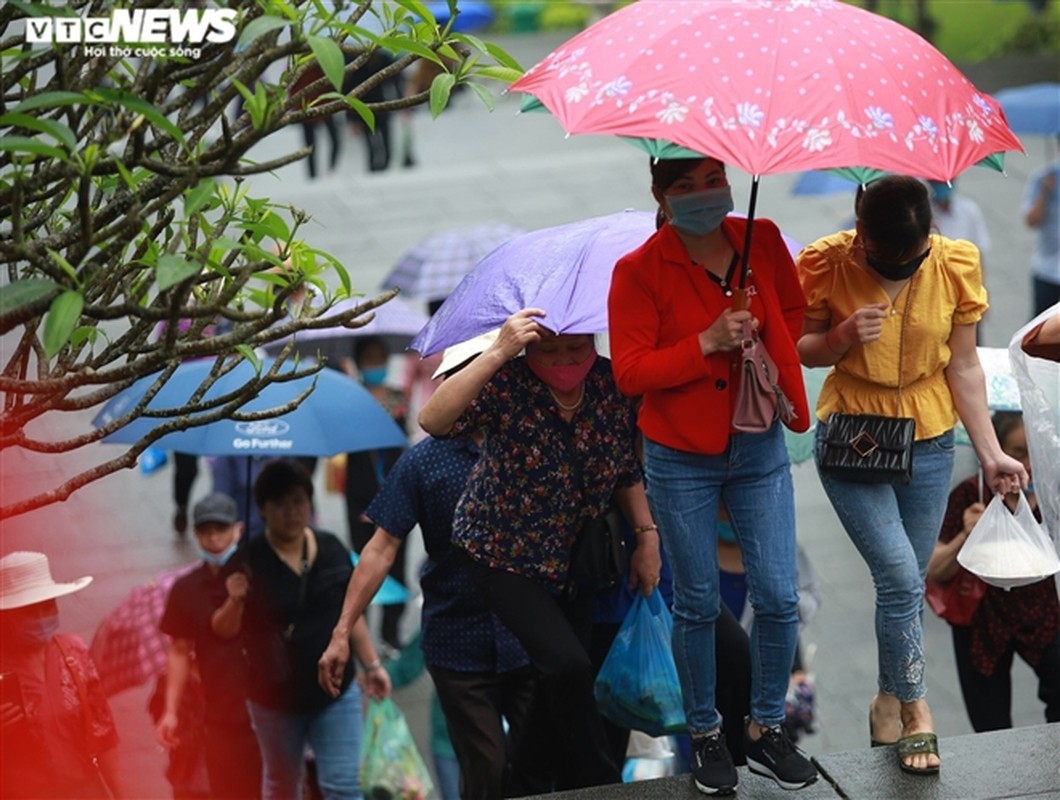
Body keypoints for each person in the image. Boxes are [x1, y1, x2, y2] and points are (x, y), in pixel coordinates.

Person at [796, 175, 1028, 776]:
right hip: (855, 438)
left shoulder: (954, 263)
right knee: (902, 577)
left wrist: (990, 453)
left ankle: (884, 700)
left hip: (927, 440)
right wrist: (842, 337)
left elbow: (966, 366)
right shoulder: (827, 261)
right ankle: (917, 708)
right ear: (861, 230)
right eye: (885, 257)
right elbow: (802, 347)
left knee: (900, 587)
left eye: (912, 255)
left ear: (929, 233)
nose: (901, 265)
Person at [608, 156, 817, 795]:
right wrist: (704, 344)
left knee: (780, 597)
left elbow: (796, 312)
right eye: (685, 186)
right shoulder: (638, 270)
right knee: (697, 602)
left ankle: (766, 726)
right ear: (660, 195)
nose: (703, 195)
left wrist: (757, 335)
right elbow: (631, 372)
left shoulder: (765, 237)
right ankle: (706, 735)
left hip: (756, 444)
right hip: (679, 454)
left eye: (711, 181)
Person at [418, 310, 662, 794]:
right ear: (529, 348)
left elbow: (625, 469)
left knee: (557, 678)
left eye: (575, 348)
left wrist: (646, 536)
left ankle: (522, 783)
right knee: (567, 665)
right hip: (498, 552)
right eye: (548, 350)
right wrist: (498, 351)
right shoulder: (507, 382)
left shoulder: (612, 386)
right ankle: (602, 781)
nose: (564, 360)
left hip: (572, 556)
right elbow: (433, 419)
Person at [320, 333, 534, 800]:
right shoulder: (424, 462)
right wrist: (342, 631)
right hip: (457, 643)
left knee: (536, 765)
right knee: (487, 768)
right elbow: (380, 547)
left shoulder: (530, 445)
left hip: (529, 636)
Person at [212, 459, 391, 800]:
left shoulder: (332, 548)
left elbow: (349, 616)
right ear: (262, 509)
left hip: (335, 694)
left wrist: (372, 666)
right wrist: (234, 601)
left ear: (310, 503)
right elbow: (223, 632)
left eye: (298, 501)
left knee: (343, 786)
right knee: (281, 785)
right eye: (280, 503)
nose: (291, 512)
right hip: (274, 699)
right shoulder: (246, 560)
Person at [927, 411, 1060, 732]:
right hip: (981, 621)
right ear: (995, 452)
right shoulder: (970, 495)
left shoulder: (1051, 495)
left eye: (1033, 451)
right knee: (989, 722)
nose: (1027, 463)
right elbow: (934, 570)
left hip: (1045, 616)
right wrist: (966, 535)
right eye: (1017, 452)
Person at [157, 493, 262, 799]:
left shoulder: (261, 577)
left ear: (238, 530)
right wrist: (171, 712)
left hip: (266, 711)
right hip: (219, 715)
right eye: (206, 531)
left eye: (222, 529)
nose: (215, 538)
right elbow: (178, 650)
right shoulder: (185, 589)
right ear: (196, 535)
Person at [0, 551, 126, 799]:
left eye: (46, 607)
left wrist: (121, 796)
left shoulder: (75, 653)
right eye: (28, 611)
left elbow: (104, 735)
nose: (40, 618)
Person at [341, 335, 409, 653]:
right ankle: (361, 636)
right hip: (360, 497)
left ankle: (391, 634)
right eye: (369, 358)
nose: (376, 364)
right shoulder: (351, 397)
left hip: (396, 496)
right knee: (361, 566)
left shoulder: (398, 396)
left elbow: (403, 444)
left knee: (396, 565)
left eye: (380, 357)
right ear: (358, 361)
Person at [290, 59, 342, 179]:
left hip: (323, 104)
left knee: (333, 139)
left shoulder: (321, 60)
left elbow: (331, 81)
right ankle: (313, 174)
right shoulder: (297, 62)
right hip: (307, 108)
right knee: (311, 145)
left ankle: (330, 169)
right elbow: (292, 87)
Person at [1023, 162, 1059, 315]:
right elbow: (1031, 221)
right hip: (1047, 270)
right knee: (1041, 331)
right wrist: (1044, 192)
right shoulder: (1043, 178)